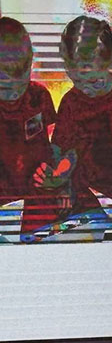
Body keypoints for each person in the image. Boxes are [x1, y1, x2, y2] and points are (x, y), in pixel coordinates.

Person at [34, 16, 112, 217]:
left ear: (110, 62)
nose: (85, 89)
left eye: (94, 82)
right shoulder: (70, 104)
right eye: (76, 81)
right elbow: (69, 153)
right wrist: (58, 177)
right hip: (87, 200)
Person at [0, 17, 59, 239]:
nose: (15, 93)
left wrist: (56, 172)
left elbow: (53, 142)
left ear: (31, 63)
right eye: (5, 88)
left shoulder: (39, 96)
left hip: (39, 197)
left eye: (22, 81)